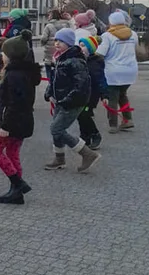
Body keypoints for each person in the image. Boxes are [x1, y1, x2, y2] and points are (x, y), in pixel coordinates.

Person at [0, 31, 42, 205]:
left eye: (3, 54)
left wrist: (5, 125)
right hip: (24, 121)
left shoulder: (14, 75)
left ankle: (17, 184)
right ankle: (16, 191)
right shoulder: (25, 72)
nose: (1, 56)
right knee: (12, 153)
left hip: (12, 122)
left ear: (11, 55)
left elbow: (14, 103)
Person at [44, 28, 101, 172]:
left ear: (69, 43)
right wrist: (49, 92)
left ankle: (87, 154)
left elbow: (81, 85)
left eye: (60, 41)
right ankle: (59, 158)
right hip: (60, 100)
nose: (56, 43)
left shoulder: (75, 61)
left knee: (56, 129)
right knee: (57, 129)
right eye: (55, 40)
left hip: (72, 102)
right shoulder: (60, 58)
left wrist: (68, 100)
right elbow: (55, 80)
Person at [97, 11, 138, 133]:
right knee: (122, 94)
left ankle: (113, 125)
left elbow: (100, 53)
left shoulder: (107, 36)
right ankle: (127, 120)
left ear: (111, 22)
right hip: (130, 70)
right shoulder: (133, 34)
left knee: (112, 98)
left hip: (113, 71)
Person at [77, 35, 106, 150]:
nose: (80, 48)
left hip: (91, 95)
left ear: (90, 48)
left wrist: (104, 94)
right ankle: (85, 137)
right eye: (79, 45)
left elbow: (101, 79)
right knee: (80, 115)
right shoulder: (79, 60)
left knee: (84, 114)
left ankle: (95, 134)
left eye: (83, 46)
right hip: (81, 94)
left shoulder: (96, 62)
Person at [41, 9, 70, 82]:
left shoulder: (48, 26)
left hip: (49, 53)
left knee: (49, 71)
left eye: (49, 15)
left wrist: (43, 43)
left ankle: (51, 86)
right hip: (62, 52)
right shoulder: (65, 25)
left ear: (52, 15)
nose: (48, 16)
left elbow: (44, 38)